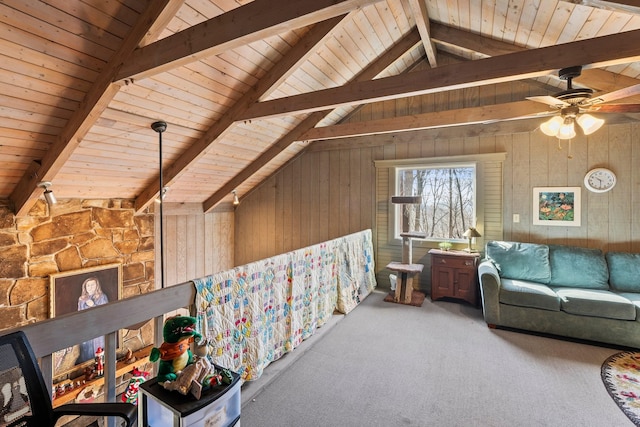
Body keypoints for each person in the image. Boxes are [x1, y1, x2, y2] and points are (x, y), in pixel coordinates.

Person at [76, 276, 109, 364]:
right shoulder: (82, 299)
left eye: (92, 285)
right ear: (85, 287)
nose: (90, 287)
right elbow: (79, 314)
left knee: (98, 349)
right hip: (86, 328)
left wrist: (93, 305)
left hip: (98, 329)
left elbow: (105, 314)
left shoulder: (102, 297)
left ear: (97, 286)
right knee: (86, 350)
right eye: (88, 285)